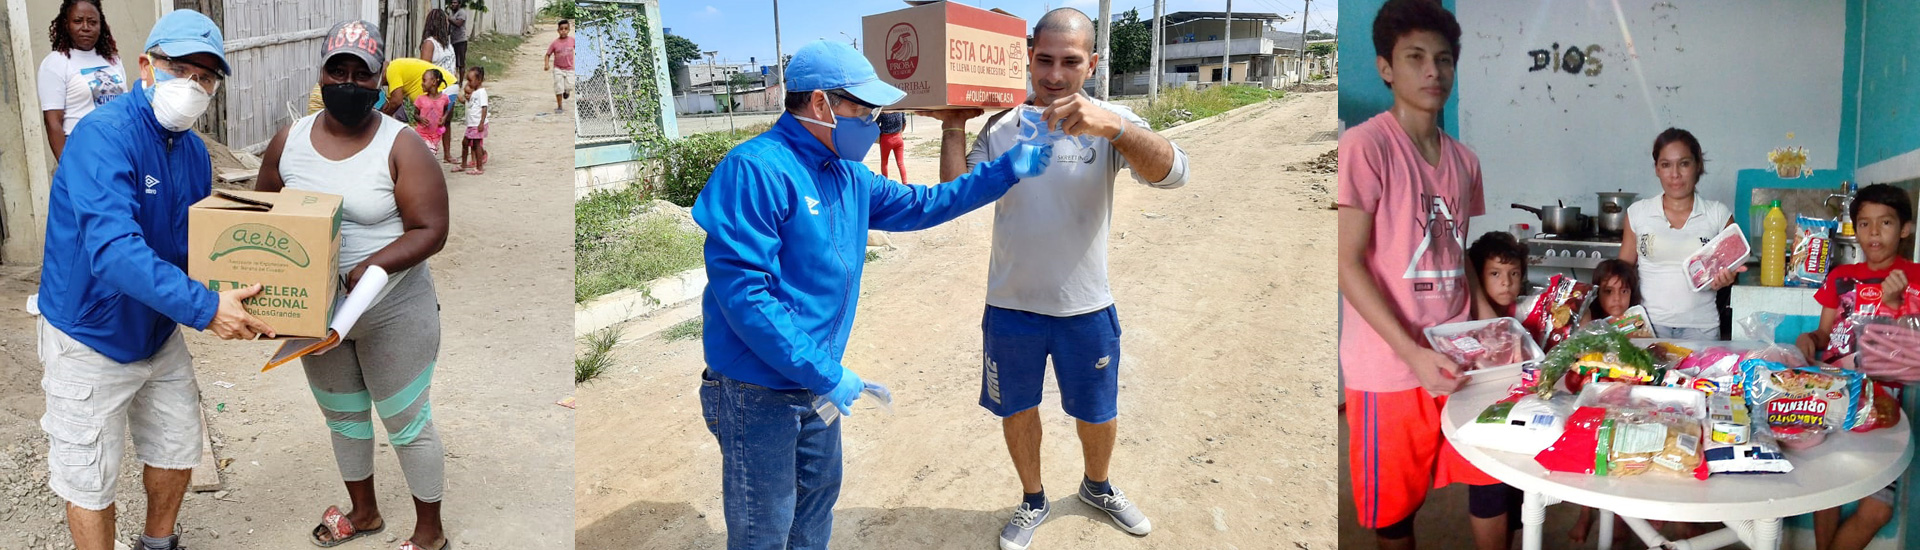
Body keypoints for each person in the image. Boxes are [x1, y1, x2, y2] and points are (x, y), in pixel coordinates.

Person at [693, 40, 1043, 550]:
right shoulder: (757, 170)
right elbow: (747, 296)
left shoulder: (848, 175)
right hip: (757, 391)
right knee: (763, 528)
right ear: (820, 104)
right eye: (863, 108)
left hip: (815, 383)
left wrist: (1006, 169)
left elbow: (926, 204)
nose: (876, 121)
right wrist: (827, 372)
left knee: (815, 505)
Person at [927, 9, 1190, 550]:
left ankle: (1097, 487)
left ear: (1091, 63)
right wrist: (954, 123)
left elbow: (1175, 173)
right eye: (1043, 59)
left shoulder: (1111, 119)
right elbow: (953, 195)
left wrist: (1114, 126)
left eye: (1070, 62)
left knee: (1098, 411)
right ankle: (1033, 499)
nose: (1053, 74)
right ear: (1027, 57)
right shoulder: (1002, 125)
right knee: (1017, 407)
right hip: (1011, 305)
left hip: (1086, 306)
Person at [37, 10, 273, 550]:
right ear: (147, 66)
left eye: (206, 77)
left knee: (176, 446)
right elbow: (115, 253)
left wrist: (265, 290)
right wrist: (209, 309)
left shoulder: (191, 149)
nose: (194, 85)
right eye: (181, 68)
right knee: (90, 475)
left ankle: (158, 542)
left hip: (156, 328)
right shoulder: (103, 136)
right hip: (89, 333)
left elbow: (193, 243)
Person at [253, 19, 452, 550]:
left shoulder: (402, 144)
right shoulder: (288, 142)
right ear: (320, 74)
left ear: (379, 80)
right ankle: (364, 513)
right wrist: (268, 296)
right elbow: (262, 222)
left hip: (394, 310)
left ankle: (429, 533)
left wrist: (377, 264)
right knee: (343, 419)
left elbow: (432, 229)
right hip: (319, 315)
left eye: (359, 74)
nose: (347, 82)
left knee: (407, 423)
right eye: (336, 70)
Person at [1337, 2, 1517, 549]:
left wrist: (1491, 328)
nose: (1433, 71)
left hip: (1461, 353)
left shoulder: (1464, 161)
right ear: (1386, 68)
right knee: (1393, 513)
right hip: (1389, 366)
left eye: (1443, 59)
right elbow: (1346, 263)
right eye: (1415, 58)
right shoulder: (1364, 147)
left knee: (1490, 477)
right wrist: (1414, 354)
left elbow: (1453, 244)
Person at [1618, 128, 1741, 340]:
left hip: (1702, 329)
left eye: (1684, 163)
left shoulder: (1718, 214)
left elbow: (1733, 269)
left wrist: (1727, 278)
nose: (1675, 174)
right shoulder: (1638, 213)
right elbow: (1620, 274)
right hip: (1647, 327)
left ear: (1697, 166)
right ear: (1657, 168)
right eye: (1666, 165)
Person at [38, 0, 126, 160]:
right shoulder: (56, 63)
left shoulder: (112, 59)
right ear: (66, 24)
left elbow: (125, 105)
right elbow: (53, 123)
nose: (85, 27)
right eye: (78, 21)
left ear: (101, 26)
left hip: (119, 147)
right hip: (83, 151)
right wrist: (68, 169)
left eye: (92, 22)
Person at [1467, 231, 1528, 317]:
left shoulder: (1526, 310)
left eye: (1514, 273)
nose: (1507, 282)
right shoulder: (1467, 315)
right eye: (1495, 274)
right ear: (1478, 277)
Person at [413, 69, 454, 162]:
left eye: (424, 80)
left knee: (429, 157)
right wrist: (420, 118)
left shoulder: (444, 98)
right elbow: (415, 114)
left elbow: (447, 110)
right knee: (424, 157)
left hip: (435, 136)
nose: (422, 83)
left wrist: (444, 118)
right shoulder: (420, 99)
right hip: (421, 134)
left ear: (434, 82)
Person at [459, 66, 489, 175]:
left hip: (477, 124)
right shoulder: (474, 92)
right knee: (465, 143)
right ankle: (463, 164)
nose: (469, 83)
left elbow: (484, 107)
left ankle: (479, 167)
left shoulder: (481, 92)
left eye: (470, 80)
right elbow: (471, 105)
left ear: (479, 80)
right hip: (471, 124)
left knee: (476, 145)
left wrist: (481, 122)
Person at [544, 19, 576, 114]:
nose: (563, 31)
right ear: (558, 30)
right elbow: (548, 54)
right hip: (558, 68)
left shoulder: (572, 41)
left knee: (570, 85)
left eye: (566, 29)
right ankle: (559, 106)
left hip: (569, 69)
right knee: (558, 87)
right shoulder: (555, 43)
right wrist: (546, 64)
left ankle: (567, 92)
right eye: (561, 29)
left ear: (569, 30)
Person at [421, 8, 456, 76]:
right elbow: (425, 70)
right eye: (446, 21)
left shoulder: (447, 44)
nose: (448, 24)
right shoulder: (430, 44)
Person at [876, 111, 907, 181]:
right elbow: (904, 122)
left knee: (884, 163)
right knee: (900, 163)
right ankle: (905, 183)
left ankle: (885, 182)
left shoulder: (883, 112)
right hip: (898, 137)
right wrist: (901, 132)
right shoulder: (900, 110)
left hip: (886, 139)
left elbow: (876, 124)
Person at [448, 0, 470, 77]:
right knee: (453, 62)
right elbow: (450, 28)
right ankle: (454, 80)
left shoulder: (462, 12)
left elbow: (458, 24)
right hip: (453, 41)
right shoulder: (452, 13)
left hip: (461, 41)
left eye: (455, 3)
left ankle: (460, 83)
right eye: (452, 3)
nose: (453, 4)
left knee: (461, 63)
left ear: (459, 4)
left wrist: (449, 19)